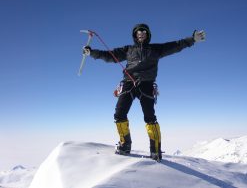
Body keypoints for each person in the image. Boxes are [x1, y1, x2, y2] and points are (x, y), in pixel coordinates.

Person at [83, 23, 205, 161]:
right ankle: (125, 145)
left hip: (146, 84)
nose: (140, 33)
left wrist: (192, 39)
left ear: (147, 34)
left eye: (143, 31)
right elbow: (109, 55)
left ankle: (155, 151)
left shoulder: (156, 49)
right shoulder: (128, 49)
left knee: (150, 118)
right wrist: (91, 52)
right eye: (138, 31)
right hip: (128, 83)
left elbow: (176, 45)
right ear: (135, 35)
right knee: (119, 114)